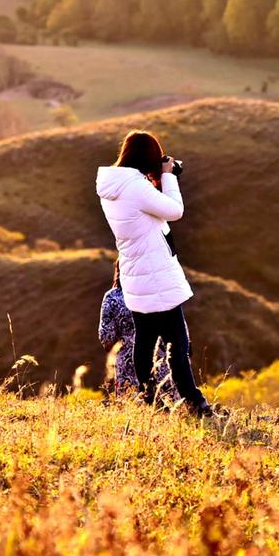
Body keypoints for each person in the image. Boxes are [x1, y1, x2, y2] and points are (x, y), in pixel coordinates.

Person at [95, 129, 214, 416]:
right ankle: (195, 403)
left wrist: (154, 180)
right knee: (178, 343)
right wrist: (169, 176)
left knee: (145, 340)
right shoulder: (135, 187)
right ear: (147, 157)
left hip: (135, 273)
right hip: (155, 275)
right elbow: (174, 211)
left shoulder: (116, 186)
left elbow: (146, 215)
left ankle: (150, 399)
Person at [98, 259, 177, 402]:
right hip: (162, 362)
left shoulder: (112, 297)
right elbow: (178, 327)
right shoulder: (159, 293)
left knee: (132, 408)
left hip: (128, 365)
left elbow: (106, 337)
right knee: (168, 409)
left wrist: (124, 345)